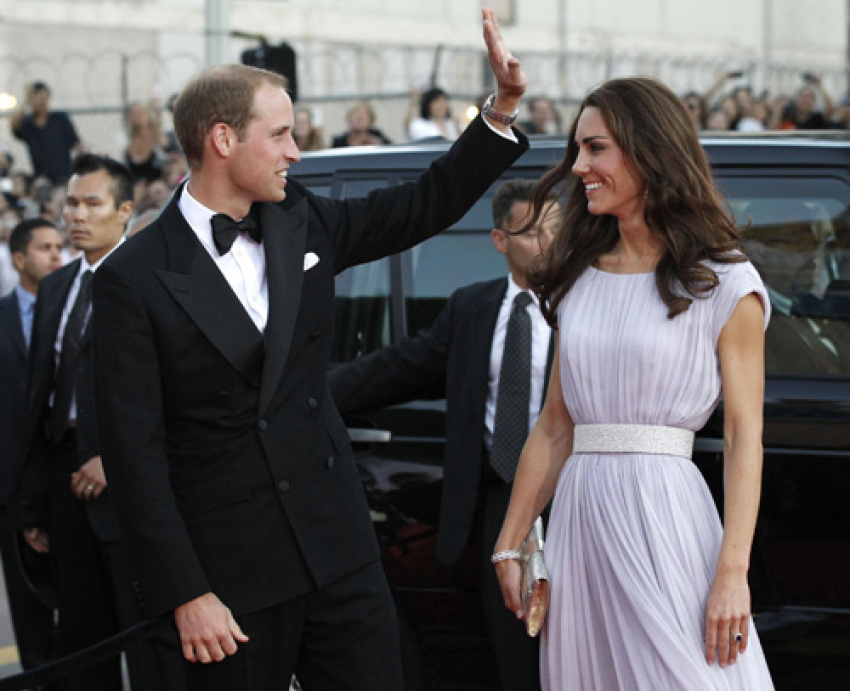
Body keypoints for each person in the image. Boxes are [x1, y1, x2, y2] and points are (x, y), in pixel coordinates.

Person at [90, 9, 528, 690]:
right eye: (283, 134)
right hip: (228, 579)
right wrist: (185, 591)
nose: (297, 151)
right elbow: (134, 454)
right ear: (223, 139)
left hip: (338, 550)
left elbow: (422, 204)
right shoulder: (133, 276)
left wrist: (497, 113)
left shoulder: (304, 220)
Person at [492, 77, 775, 689]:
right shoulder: (578, 279)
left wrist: (733, 570)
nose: (578, 166)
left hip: (668, 522)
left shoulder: (724, 282)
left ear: (647, 151)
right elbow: (554, 425)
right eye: (578, 149)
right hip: (580, 525)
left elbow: (744, 434)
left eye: (596, 149)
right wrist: (510, 541)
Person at [329, 178, 558, 691]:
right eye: (532, 232)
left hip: (577, 493)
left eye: (555, 229)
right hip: (501, 501)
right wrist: (296, 396)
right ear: (500, 241)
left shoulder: (587, 303)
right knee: (515, 651)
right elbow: (396, 367)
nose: (548, 243)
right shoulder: (472, 309)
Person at [9, 153, 184, 691]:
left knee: (148, 636)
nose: (76, 215)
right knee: (81, 638)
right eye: (71, 203)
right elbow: (41, 400)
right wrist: (32, 502)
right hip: (65, 484)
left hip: (130, 486)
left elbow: (174, 391)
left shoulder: (152, 280)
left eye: (92, 204)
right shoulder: (58, 286)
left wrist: (116, 458)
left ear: (125, 211)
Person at [0, 218, 62, 671]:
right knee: (30, 612)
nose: (56, 256)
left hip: (66, 481)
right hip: (10, 488)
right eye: (45, 248)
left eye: (59, 247)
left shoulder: (77, 308)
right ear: (19, 259)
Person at [10, 82, 81, 184]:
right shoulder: (28, 124)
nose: (41, 103)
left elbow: (76, 144)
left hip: (64, 175)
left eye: (43, 98)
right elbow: (14, 126)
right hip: (41, 178)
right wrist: (26, 101)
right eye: (37, 98)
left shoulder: (60, 119)